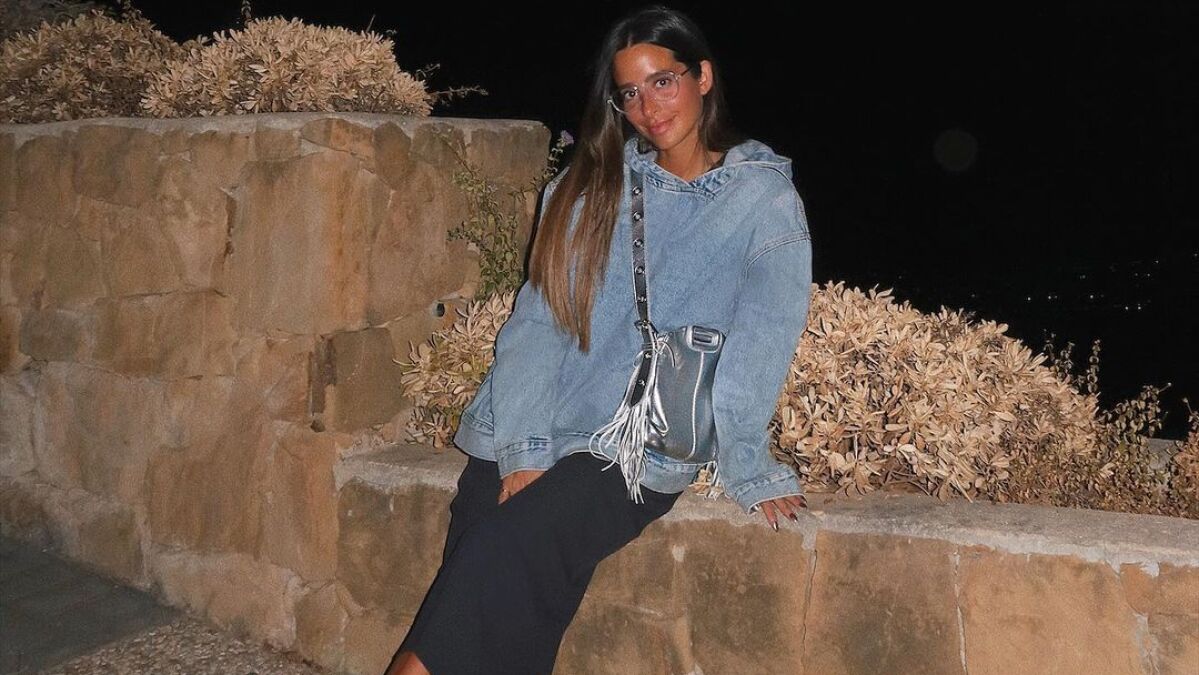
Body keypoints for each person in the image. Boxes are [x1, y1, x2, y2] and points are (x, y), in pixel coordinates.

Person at [385, 5, 812, 674]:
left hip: (635, 442)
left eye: (662, 81)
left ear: (702, 77)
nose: (647, 107)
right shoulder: (586, 187)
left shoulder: (762, 201)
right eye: (629, 93)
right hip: (533, 415)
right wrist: (524, 452)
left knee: (495, 558)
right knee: (486, 584)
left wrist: (748, 463)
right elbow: (537, 323)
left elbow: (763, 341)